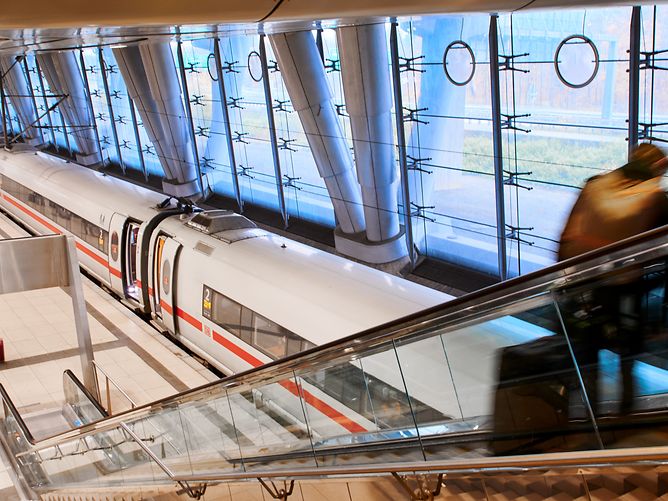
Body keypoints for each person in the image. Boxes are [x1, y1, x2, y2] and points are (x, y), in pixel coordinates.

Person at [558, 143, 668, 415]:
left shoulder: (594, 186)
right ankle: (625, 414)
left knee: (589, 349)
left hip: (588, 285)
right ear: (658, 168)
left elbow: (566, 238)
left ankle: (592, 413)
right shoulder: (656, 199)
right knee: (628, 354)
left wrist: (564, 280)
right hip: (628, 289)